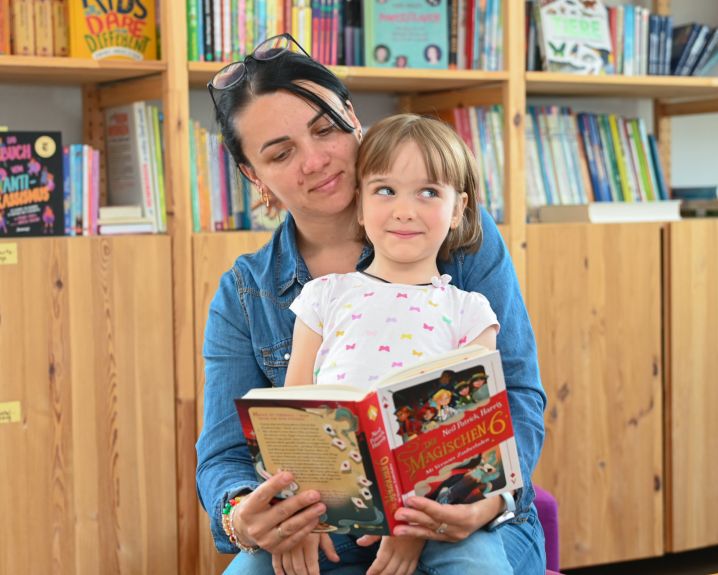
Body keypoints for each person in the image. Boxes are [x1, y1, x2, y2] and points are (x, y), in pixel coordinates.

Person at [198, 32, 546, 575]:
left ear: (353, 120)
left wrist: (488, 503)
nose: (315, 160)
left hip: (459, 513)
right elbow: (223, 457)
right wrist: (247, 517)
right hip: (322, 529)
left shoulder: (458, 238)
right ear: (253, 177)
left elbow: (517, 393)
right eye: (281, 152)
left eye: (325, 129)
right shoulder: (244, 293)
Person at [282, 113, 504, 572]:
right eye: (385, 190)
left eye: (429, 192)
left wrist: (414, 527)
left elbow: (478, 439)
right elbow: (290, 419)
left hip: (436, 515)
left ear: (458, 207)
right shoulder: (323, 296)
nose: (405, 209)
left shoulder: (471, 311)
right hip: (330, 513)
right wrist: (296, 516)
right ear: (359, 205)